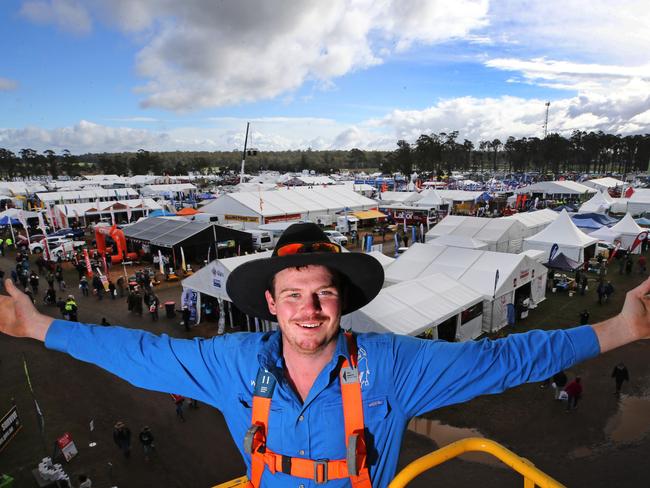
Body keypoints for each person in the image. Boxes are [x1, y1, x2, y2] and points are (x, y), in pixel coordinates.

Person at [1, 223, 650, 487]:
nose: (308, 309)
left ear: (340, 301)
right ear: (272, 304)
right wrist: (36, 325)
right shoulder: (232, 363)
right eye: (293, 295)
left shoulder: (393, 366)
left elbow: (509, 360)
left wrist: (620, 330)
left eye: (322, 294)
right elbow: (136, 349)